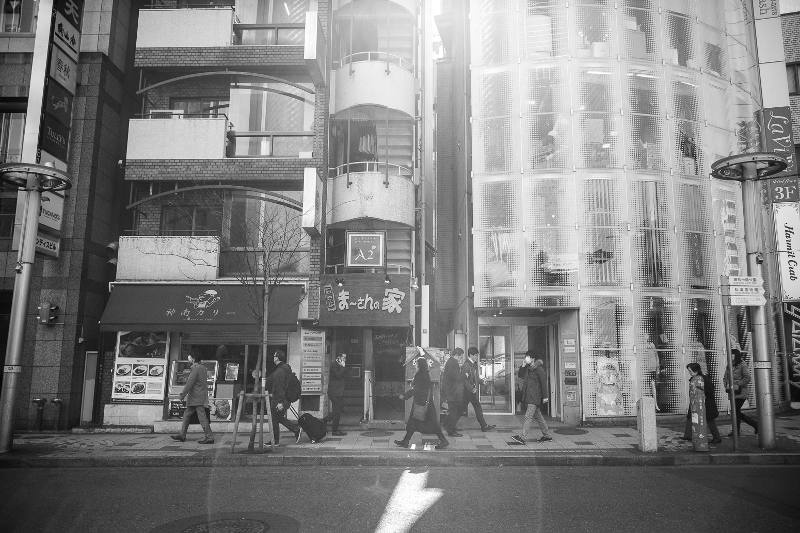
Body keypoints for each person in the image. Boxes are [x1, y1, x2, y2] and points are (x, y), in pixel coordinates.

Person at [394, 357, 449, 450]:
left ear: (420, 365)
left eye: (416, 364)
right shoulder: (424, 374)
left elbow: (416, 389)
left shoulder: (421, 375)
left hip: (423, 405)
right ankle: (405, 441)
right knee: (413, 423)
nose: (415, 366)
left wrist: (405, 396)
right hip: (423, 403)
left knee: (433, 425)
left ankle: (443, 440)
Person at [171, 354, 214, 444]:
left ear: (193, 359)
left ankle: (209, 437)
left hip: (196, 397)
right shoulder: (203, 368)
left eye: (189, 357)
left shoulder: (196, 368)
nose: (188, 359)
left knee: (202, 417)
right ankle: (182, 435)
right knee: (187, 414)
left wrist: (182, 395)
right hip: (199, 396)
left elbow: (189, 383)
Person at [512, 355, 552, 444]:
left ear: (533, 359)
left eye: (528, 357)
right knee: (539, 417)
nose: (526, 358)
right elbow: (520, 375)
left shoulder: (539, 369)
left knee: (528, 416)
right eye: (526, 357)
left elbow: (543, 384)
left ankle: (522, 437)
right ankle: (547, 436)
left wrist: (545, 397)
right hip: (529, 396)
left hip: (534, 397)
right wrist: (522, 366)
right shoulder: (528, 369)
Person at [265, 350, 302, 446]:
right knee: (278, 418)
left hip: (279, 399)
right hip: (284, 399)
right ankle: (295, 429)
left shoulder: (280, 371)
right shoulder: (284, 369)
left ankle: (275, 441)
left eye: (274, 356)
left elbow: (280, 387)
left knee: (274, 419)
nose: (273, 358)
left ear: (277, 358)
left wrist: (280, 402)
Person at [682, 362, 721, 449]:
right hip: (695, 402)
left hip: (706, 403)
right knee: (690, 417)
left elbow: (709, 391)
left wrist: (701, 397)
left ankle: (717, 437)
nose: (689, 372)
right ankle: (688, 435)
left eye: (690, 370)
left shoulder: (703, 379)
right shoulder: (695, 378)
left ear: (696, 370)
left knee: (710, 420)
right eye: (689, 370)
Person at [723, 349, 759, 436]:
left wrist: (737, 384)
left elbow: (747, 378)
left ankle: (739, 430)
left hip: (740, 392)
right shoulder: (729, 365)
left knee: (735, 411)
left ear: (737, 355)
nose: (731, 356)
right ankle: (741, 429)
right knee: (736, 412)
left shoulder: (742, 364)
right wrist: (726, 385)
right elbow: (725, 377)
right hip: (732, 392)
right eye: (730, 355)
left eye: (732, 355)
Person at [462, 347, 495, 431]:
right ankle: (449, 425)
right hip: (468, 392)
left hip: (471, 392)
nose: (477, 357)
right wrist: (471, 389)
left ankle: (484, 426)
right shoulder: (466, 365)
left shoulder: (474, 364)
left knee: (476, 407)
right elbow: (465, 380)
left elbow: (475, 378)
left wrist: (481, 382)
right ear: (471, 355)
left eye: (477, 355)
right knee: (462, 409)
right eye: (476, 355)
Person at [440, 348, 465, 437]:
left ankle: (448, 425)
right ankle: (451, 430)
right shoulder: (453, 363)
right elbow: (455, 377)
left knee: (454, 411)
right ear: (457, 355)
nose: (461, 359)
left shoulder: (451, 361)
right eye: (461, 357)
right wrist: (463, 374)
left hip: (451, 391)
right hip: (452, 392)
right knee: (454, 411)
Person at [323, 353, 348, 436]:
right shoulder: (334, 365)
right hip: (334, 392)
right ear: (339, 357)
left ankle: (325, 420)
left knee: (338, 410)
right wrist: (343, 366)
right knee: (337, 411)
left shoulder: (340, 365)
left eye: (345, 357)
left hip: (339, 392)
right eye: (343, 357)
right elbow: (338, 375)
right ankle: (334, 430)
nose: (345, 359)